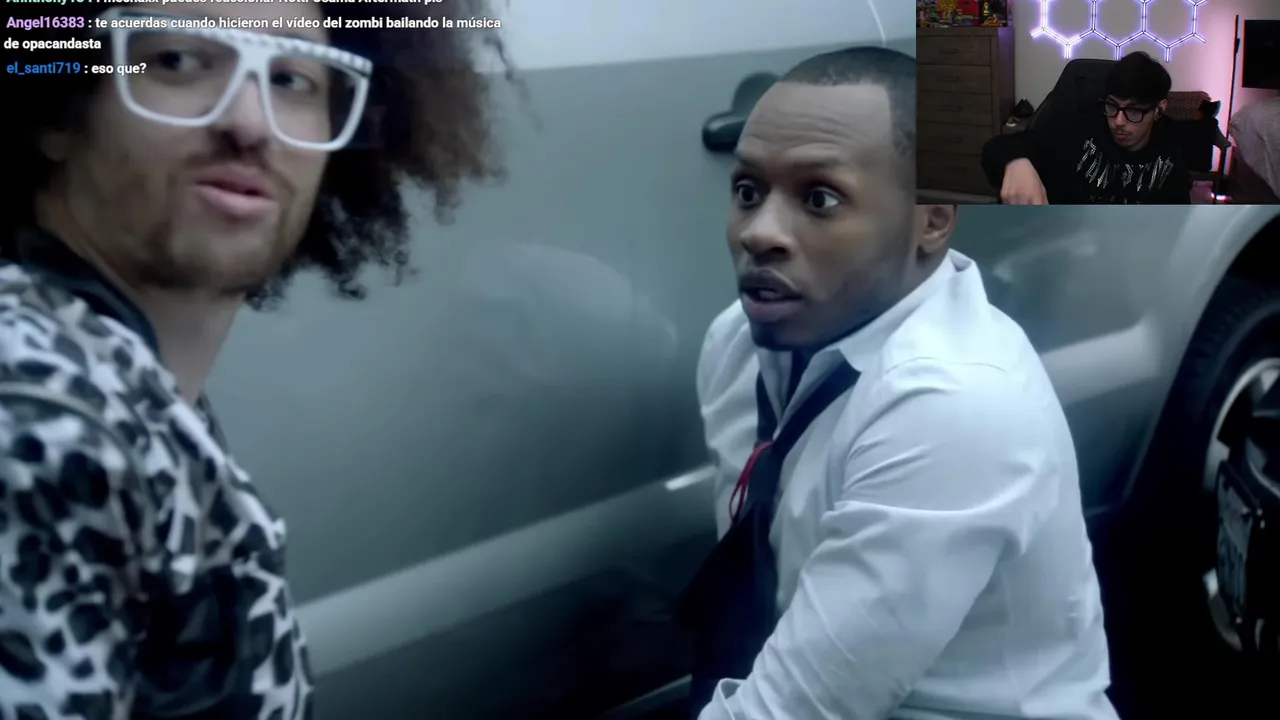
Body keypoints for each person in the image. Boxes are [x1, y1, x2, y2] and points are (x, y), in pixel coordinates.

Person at [0, 1, 507, 716]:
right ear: (57, 109)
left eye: (293, 78)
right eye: (177, 59)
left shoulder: (123, 377)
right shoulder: (38, 423)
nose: (249, 121)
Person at [679, 46, 1120, 719]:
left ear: (933, 219)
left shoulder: (955, 405)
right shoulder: (738, 344)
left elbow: (791, 710)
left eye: (819, 198)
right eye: (748, 192)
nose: (758, 233)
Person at [981, 51, 1191, 204]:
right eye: (1112, 105)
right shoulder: (1082, 126)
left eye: (1134, 110)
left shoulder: (1171, 154)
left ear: (1159, 109)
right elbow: (997, 148)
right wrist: (1016, 163)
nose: (1118, 121)